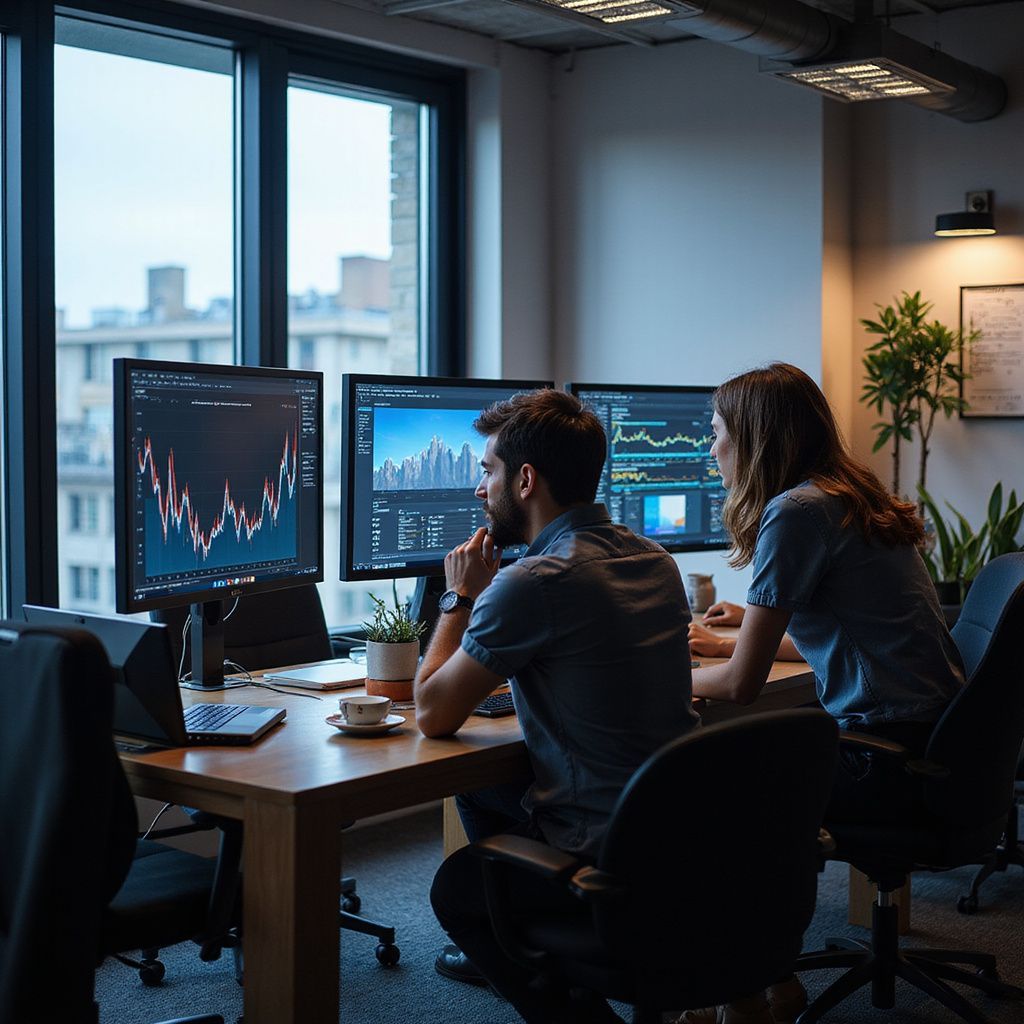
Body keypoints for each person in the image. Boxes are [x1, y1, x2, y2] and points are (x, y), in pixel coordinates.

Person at [679, 363, 965, 1024]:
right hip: (929, 736)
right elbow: (845, 631)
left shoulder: (795, 512)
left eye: (717, 432)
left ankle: (748, 984)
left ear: (753, 440)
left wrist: (653, 678)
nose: (710, 447)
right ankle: (768, 978)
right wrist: (737, 640)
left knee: (705, 785)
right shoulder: (844, 493)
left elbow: (741, 689)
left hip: (886, 754)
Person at [416, 388, 698, 1024]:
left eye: (487, 471)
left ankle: (566, 989)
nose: (478, 489)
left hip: (603, 847)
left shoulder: (531, 583)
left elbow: (433, 712)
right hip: (678, 833)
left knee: (456, 889)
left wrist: (459, 598)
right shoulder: (655, 559)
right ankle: (542, 948)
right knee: (481, 791)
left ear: (524, 479)